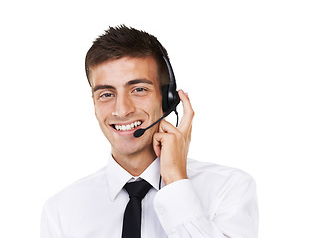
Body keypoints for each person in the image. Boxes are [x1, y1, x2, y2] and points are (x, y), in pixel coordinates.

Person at [41, 25, 258, 238]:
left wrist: (175, 180)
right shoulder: (61, 210)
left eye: (138, 90)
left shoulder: (229, 188)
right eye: (106, 94)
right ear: (94, 104)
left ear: (168, 99)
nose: (122, 110)